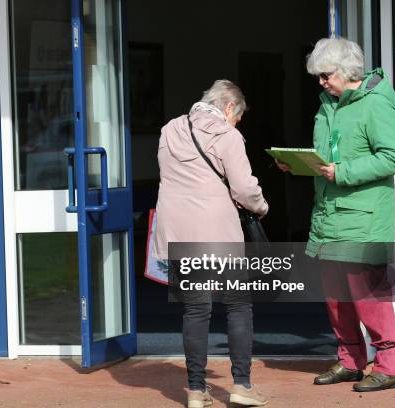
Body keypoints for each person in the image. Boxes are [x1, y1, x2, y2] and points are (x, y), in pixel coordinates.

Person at [277, 38, 395, 392]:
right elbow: (324, 159)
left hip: (363, 216)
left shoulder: (375, 105)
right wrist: (298, 165)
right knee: (335, 297)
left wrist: (343, 171)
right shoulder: (326, 105)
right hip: (328, 215)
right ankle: (350, 361)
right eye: (317, 75)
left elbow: (394, 157)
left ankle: (388, 365)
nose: (320, 82)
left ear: (347, 71)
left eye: (325, 74)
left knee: (368, 295)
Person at [154, 80, 269, 407]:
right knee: (237, 306)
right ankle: (242, 386)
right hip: (218, 232)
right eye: (238, 117)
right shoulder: (227, 135)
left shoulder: (169, 130)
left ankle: (194, 390)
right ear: (229, 107)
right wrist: (262, 208)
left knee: (195, 309)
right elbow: (245, 189)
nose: (236, 124)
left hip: (179, 232)